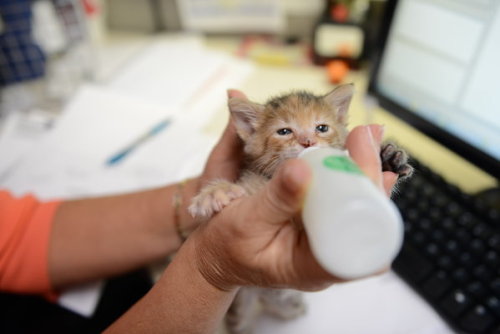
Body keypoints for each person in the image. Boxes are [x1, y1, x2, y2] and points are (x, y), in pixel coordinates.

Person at [0, 92, 398, 333]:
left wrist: (201, 191)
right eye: (285, 131)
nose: (308, 140)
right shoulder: (259, 176)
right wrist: (212, 267)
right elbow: (244, 194)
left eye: (323, 128)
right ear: (249, 130)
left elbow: (15, 236)